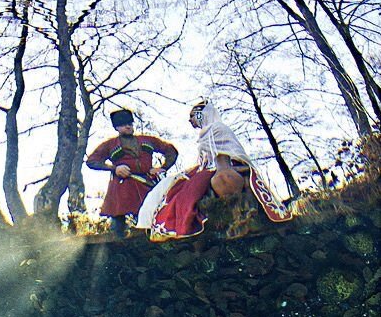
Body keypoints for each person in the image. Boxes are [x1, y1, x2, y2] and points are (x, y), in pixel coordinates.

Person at [137, 99, 291, 241]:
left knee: (188, 190)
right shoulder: (205, 133)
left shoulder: (218, 128)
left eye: (192, 116)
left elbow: (230, 153)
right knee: (168, 186)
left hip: (221, 166)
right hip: (205, 168)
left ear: (201, 115)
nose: (190, 120)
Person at [86, 108, 178, 238]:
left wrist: (163, 168)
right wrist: (114, 168)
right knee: (118, 225)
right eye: (123, 124)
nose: (128, 126)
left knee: (151, 217)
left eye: (130, 123)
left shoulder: (148, 140)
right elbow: (92, 161)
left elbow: (171, 151)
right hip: (122, 188)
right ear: (116, 127)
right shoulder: (110, 145)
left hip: (146, 185)